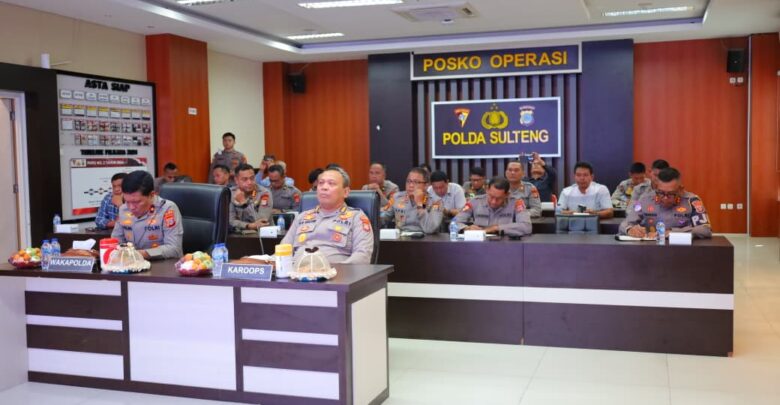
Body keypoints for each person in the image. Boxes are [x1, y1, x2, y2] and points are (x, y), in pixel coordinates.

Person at [282, 167, 374, 264]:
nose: (324, 187)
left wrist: (334, 271)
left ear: (345, 192)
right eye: (321, 183)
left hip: (337, 272)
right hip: (295, 271)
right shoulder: (302, 217)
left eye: (331, 183)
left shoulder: (356, 217)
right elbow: (282, 250)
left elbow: (362, 256)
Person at [620, 167, 711, 239]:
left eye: (671, 194)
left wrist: (672, 232)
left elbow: (705, 229)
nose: (665, 198)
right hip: (650, 248)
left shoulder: (692, 200)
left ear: (681, 189)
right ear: (656, 187)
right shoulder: (645, 199)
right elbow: (625, 224)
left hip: (681, 248)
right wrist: (630, 230)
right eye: (661, 193)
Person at [111, 170, 183, 260]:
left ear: (152, 195)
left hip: (162, 265)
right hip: (131, 264)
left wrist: (141, 254)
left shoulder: (167, 209)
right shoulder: (123, 209)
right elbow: (115, 242)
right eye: (127, 201)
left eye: (136, 202)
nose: (131, 207)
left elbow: (174, 249)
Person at [454, 177, 532, 237]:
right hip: (479, 243)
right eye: (491, 196)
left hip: (505, 244)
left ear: (507, 195)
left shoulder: (516, 203)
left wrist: (496, 228)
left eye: (498, 198)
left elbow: (527, 226)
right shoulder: (475, 202)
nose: (493, 202)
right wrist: (466, 228)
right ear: (487, 190)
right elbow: (454, 223)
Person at [380, 167, 443, 234]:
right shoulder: (396, 197)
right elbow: (383, 217)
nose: (411, 185)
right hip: (400, 238)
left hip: (425, 238)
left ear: (426, 185)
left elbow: (430, 229)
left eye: (416, 182)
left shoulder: (436, 203)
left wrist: (419, 205)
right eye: (408, 181)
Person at [229, 163, 274, 232]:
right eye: (245, 179)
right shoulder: (230, 193)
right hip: (237, 235)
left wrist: (244, 203)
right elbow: (230, 221)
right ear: (236, 180)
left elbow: (261, 222)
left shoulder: (264, 194)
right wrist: (248, 225)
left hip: (262, 235)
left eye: (252, 178)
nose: (249, 182)